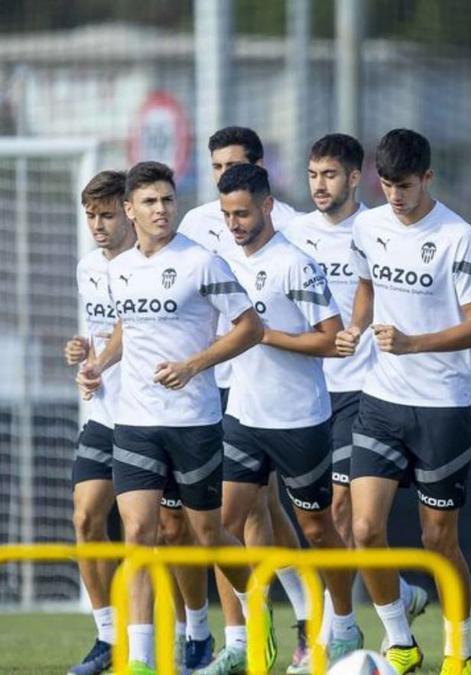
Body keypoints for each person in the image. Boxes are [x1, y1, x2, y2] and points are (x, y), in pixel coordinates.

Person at [79, 161, 271, 675]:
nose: (161, 209)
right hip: (136, 422)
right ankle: (139, 660)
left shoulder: (202, 263)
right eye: (149, 202)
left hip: (194, 421)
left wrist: (193, 365)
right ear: (130, 210)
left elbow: (250, 328)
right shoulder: (118, 269)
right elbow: (127, 329)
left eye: (167, 200)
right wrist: (99, 363)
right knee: (139, 533)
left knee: (209, 533)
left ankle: (254, 623)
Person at [195, 164, 364, 673]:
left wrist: (265, 335)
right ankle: (246, 638)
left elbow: (331, 340)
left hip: (299, 420)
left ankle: (344, 628)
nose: (234, 223)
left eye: (243, 212)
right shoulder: (221, 261)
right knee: (222, 526)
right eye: (226, 214)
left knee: (316, 529)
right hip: (242, 415)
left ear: (267, 206)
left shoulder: (296, 263)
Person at [337, 129, 471, 675]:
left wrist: (413, 343)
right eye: (386, 185)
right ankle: (400, 641)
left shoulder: (459, 236)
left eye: (404, 185)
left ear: (427, 178)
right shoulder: (369, 224)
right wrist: (357, 326)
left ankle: (460, 650)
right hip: (381, 399)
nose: (394, 196)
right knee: (363, 530)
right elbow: (366, 284)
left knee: (437, 540)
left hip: (441, 406)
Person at [283, 134, 429, 673]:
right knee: (315, 521)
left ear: (353, 179)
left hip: (362, 390)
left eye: (330, 175)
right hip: (304, 395)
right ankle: (397, 591)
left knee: (344, 512)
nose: (320, 185)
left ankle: (339, 631)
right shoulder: (292, 233)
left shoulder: (375, 230)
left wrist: (362, 330)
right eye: (313, 174)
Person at [178, 125, 312, 667]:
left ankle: (278, 627)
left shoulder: (293, 230)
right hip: (211, 388)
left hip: (269, 390)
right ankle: (261, 631)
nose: (223, 179)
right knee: (243, 514)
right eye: (215, 169)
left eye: (233, 167)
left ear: (259, 173)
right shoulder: (194, 223)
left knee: (260, 514)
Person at [65, 170, 136, 675]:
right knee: (87, 516)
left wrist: (99, 362)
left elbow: (131, 332)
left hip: (156, 417)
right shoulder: (88, 266)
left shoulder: (150, 265)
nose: (98, 224)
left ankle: (190, 632)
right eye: (91, 215)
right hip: (105, 413)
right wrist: (81, 351)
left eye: (107, 213)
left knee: (168, 532)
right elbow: (99, 334)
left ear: (129, 212)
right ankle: (107, 636)